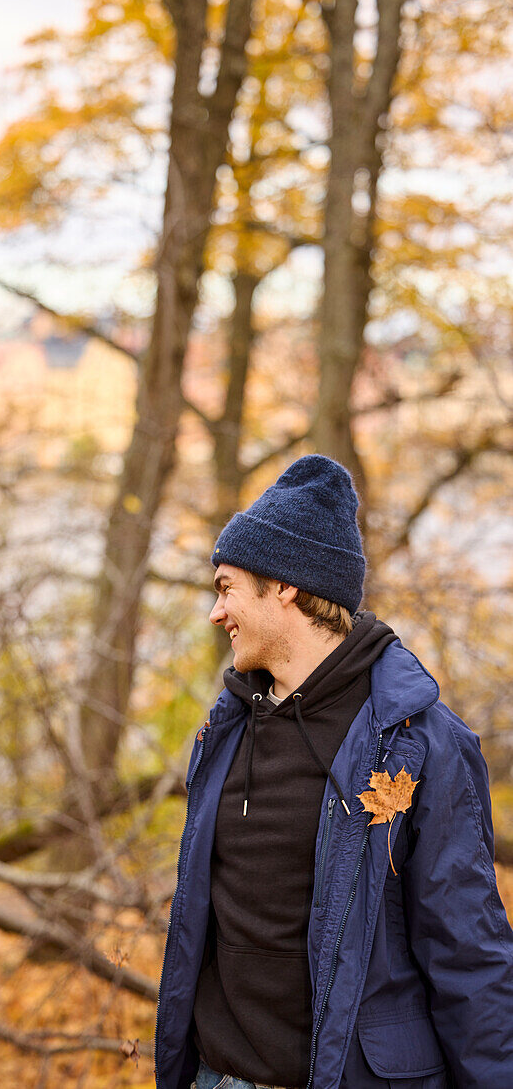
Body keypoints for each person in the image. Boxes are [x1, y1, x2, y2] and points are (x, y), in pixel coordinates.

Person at [154, 454, 513, 1089]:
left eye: (227, 587)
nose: (216, 612)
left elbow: (469, 958)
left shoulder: (419, 742)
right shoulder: (224, 729)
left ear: (284, 585)